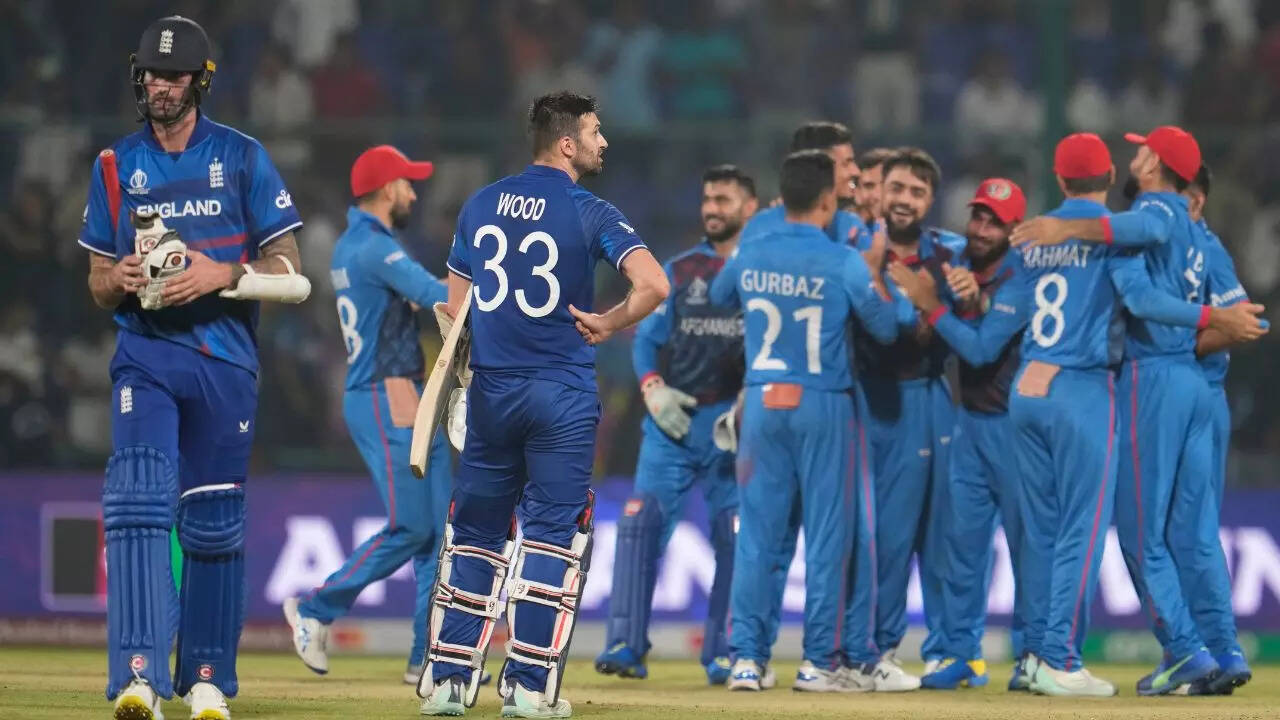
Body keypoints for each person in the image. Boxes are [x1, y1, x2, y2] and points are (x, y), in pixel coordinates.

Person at [81, 16, 306, 720]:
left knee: (213, 520)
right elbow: (96, 281)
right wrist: (117, 277)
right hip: (145, 356)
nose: (160, 86)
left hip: (225, 361)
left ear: (199, 81)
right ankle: (138, 678)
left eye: (174, 76)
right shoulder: (114, 164)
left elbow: (293, 275)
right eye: (151, 73)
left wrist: (223, 273)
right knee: (137, 504)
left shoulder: (241, 157)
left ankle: (206, 678)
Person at [417, 91, 668, 718]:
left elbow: (454, 313)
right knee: (552, 540)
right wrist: (610, 322)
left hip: (492, 393)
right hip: (560, 394)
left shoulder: (479, 204)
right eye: (595, 131)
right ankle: (528, 690)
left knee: (475, 535)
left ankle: (448, 683)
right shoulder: (591, 210)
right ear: (567, 143)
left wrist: (466, 385)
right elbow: (654, 285)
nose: (604, 142)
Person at [1007, 132, 1265, 697]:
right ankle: (1222, 647)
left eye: (1144, 150)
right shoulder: (1201, 234)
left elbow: (1144, 294)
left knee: (1137, 533)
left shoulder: (1145, 216)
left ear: (1158, 166)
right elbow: (1244, 316)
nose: (1135, 154)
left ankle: (1183, 651)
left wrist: (1065, 228)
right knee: (1195, 532)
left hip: (1149, 380)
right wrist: (1216, 325)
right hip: (1197, 385)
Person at [709, 150, 901, 693]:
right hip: (823, 403)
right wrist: (874, 269)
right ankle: (817, 663)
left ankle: (746, 661)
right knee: (826, 539)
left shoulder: (751, 250)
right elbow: (886, 328)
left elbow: (721, 296)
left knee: (757, 537)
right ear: (827, 201)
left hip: (762, 402)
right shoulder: (843, 260)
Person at [282, 145, 453, 685]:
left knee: (436, 535)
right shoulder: (373, 247)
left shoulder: (357, 244)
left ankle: (426, 657)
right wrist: (496, 283)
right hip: (385, 393)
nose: (414, 194)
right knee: (413, 528)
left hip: (405, 391)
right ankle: (315, 609)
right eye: (407, 183)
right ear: (385, 189)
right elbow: (439, 296)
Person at [594, 165, 757, 684]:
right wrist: (651, 388)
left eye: (723, 199)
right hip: (673, 422)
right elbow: (646, 340)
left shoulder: (761, 273)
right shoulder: (681, 270)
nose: (712, 208)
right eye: (708, 199)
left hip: (732, 424)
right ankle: (625, 643)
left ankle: (726, 651)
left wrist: (748, 404)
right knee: (640, 525)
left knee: (735, 535)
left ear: (750, 207)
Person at [888, 178, 1029, 691]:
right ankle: (960, 653)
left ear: (1014, 229)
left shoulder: (1020, 276)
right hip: (967, 421)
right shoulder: (959, 267)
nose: (982, 229)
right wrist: (954, 300)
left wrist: (934, 304)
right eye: (978, 217)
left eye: (995, 222)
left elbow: (981, 350)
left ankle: (1034, 653)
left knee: (1027, 549)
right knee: (960, 550)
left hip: (1014, 427)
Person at [855, 147, 965, 689]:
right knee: (875, 535)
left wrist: (968, 295)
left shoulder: (951, 255)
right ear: (879, 190)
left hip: (925, 396)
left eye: (917, 192)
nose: (904, 199)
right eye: (896, 187)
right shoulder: (854, 247)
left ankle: (940, 650)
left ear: (930, 200)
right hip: (862, 398)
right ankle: (866, 648)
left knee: (933, 534)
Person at [1184, 164, 1254, 693]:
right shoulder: (1169, 249)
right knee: (1181, 531)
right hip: (1176, 396)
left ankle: (1219, 649)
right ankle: (1207, 651)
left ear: (1198, 200)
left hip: (1199, 395)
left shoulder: (1208, 249)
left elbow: (1246, 322)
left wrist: (1180, 348)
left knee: (1195, 529)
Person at [853, 147, 895, 228]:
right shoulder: (838, 229)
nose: (877, 195)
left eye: (884, 185)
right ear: (857, 191)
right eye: (868, 186)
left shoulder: (917, 233)